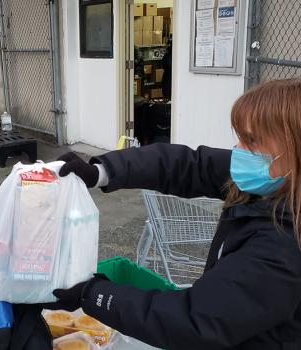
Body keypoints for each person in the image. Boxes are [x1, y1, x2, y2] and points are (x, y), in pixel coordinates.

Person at [54, 79, 301, 349]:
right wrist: (102, 172)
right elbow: (187, 165)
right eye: (239, 137)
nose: (238, 150)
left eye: (251, 140)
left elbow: (195, 320)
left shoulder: (283, 249)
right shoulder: (273, 180)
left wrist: (95, 294)